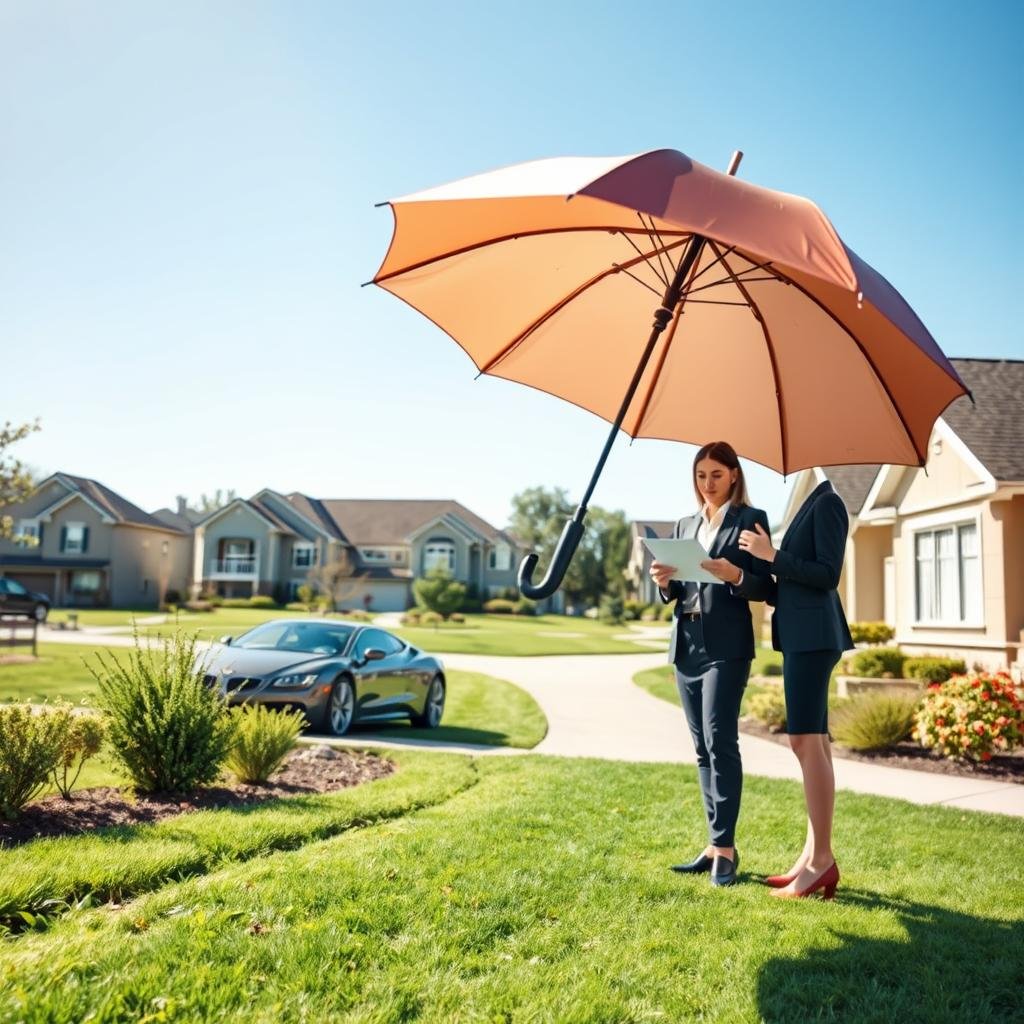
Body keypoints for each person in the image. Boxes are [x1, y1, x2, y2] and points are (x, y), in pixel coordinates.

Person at [650, 441, 772, 888]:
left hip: (728, 645)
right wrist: (664, 584)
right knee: (701, 746)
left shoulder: (750, 520)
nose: (708, 484)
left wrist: (735, 574)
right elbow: (678, 593)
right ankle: (714, 844)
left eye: (716, 475)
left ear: (734, 475)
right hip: (687, 644)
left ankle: (726, 848)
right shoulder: (685, 525)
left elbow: (766, 586)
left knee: (721, 740)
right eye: (701, 475)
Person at [733, 478, 854, 900]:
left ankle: (821, 862)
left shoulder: (829, 503)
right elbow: (797, 575)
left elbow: (827, 574)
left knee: (804, 742)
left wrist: (773, 556)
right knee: (814, 744)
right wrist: (766, 566)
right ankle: (813, 856)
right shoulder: (810, 500)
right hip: (804, 635)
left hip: (813, 637)